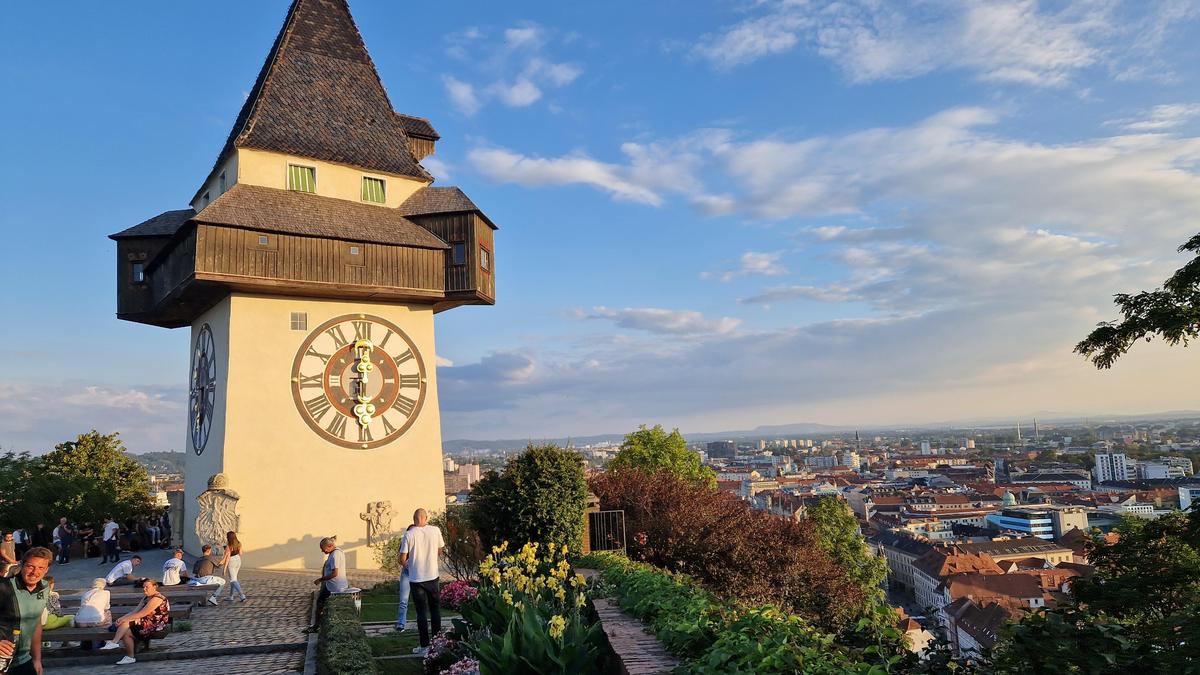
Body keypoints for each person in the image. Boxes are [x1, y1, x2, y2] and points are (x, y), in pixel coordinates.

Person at [0, 547, 53, 675]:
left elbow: (36, 623)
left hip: (24, 660)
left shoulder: (45, 588)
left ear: (47, 570)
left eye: (41, 568)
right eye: (30, 566)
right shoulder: (4, 587)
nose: (35, 572)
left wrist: (36, 659)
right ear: (21, 565)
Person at [398, 508, 444, 655]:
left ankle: (424, 646)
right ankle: (437, 644)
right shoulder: (435, 530)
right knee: (435, 610)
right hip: (432, 576)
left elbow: (402, 559)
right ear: (426, 518)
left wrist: (409, 565)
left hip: (416, 578)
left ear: (414, 519)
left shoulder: (409, 534)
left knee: (421, 613)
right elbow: (440, 550)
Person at [100, 578, 170, 666]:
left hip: (156, 624)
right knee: (126, 631)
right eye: (143, 587)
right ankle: (130, 657)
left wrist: (125, 619)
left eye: (147, 587)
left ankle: (114, 642)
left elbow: (142, 614)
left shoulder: (157, 598)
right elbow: (135, 611)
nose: (144, 589)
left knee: (126, 623)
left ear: (154, 587)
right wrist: (122, 618)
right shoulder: (146, 597)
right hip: (144, 622)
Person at [307, 537, 347, 632]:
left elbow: (334, 573)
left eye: (323, 548)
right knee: (321, 603)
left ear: (330, 546)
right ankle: (318, 625)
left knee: (321, 603)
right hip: (331, 585)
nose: (322, 551)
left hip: (334, 587)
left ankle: (317, 626)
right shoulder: (336, 552)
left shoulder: (335, 555)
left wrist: (320, 579)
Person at [394, 521, 418, 632]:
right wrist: (406, 564)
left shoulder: (420, 544)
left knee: (420, 600)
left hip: (419, 573)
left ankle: (420, 622)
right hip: (407, 572)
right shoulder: (405, 542)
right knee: (403, 600)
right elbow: (400, 559)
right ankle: (401, 623)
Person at [219, 532, 247, 602]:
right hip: (238, 560)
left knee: (233, 580)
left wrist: (224, 569)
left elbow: (228, 557)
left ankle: (242, 596)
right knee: (234, 579)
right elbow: (241, 553)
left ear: (228, 537)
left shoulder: (228, 546)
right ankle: (231, 596)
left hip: (231, 561)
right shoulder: (239, 543)